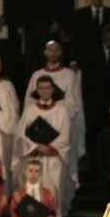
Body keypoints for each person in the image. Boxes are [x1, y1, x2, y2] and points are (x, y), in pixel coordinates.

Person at [24, 40, 85, 188]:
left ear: (60, 52)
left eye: (56, 50)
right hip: (39, 128)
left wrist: (53, 110)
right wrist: (40, 111)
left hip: (60, 127)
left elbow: (73, 102)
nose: (53, 53)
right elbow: (29, 101)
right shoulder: (37, 75)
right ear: (45, 52)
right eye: (50, 50)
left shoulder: (69, 75)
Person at [14, 75, 71, 217]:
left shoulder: (62, 110)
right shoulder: (30, 110)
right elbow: (21, 134)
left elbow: (65, 135)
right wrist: (36, 147)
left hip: (53, 158)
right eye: (41, 88)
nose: (45, 91)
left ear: (53, 89)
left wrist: (50, 147)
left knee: (54, 190)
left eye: (48, 88)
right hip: (34, 158)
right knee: (32, 191)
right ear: (37, 90)